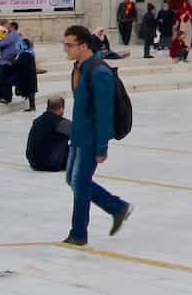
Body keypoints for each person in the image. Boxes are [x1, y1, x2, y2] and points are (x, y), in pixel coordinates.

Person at [61, 24, 133, 246]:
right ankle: (118, 207)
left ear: (83, 46)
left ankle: (78, 234)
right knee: (72, 179)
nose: (66, 49)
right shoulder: (78, 68)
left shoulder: (99, 72)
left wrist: (102, 147)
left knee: (80, 183)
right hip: (78, 134)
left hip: (91, 138)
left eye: (69, 45)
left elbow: (104, 113)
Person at [26, 95, 72, 172]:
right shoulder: (62, 123)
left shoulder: (37, 121)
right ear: (61, 108)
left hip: (33, 162)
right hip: (51, 164)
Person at [13, 34, 40, 112]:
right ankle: (32, 106)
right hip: (30, 75)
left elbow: (19, 64)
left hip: (27, 76)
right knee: (31, 91)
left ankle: (32, 106)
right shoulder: (30, 52)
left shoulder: (25, 54)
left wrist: (13, 62)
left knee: (30, 91)